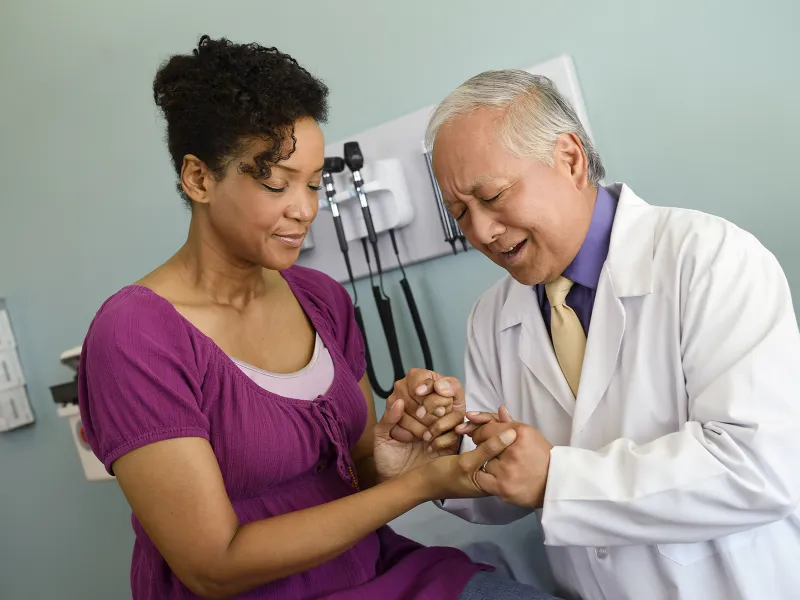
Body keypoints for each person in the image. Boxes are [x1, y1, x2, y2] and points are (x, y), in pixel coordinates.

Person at [77, 36, 561, 600]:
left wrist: (397, 456)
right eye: (276, 183)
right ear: (199, 179)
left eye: (313, 184)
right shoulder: (135, 337)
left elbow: (350, 477)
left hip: (380, 573)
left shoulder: (321, 300)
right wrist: (421, 487)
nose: (304, 209)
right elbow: (214, 565)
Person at [389, 69, 800, 600]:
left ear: (570, 159)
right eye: (460, 214)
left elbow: (762, 467)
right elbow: (501, 495)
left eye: (492, 196)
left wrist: (558, 480)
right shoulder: (491, 316)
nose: (482, 232)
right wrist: (442, 460)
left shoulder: (709, 259)